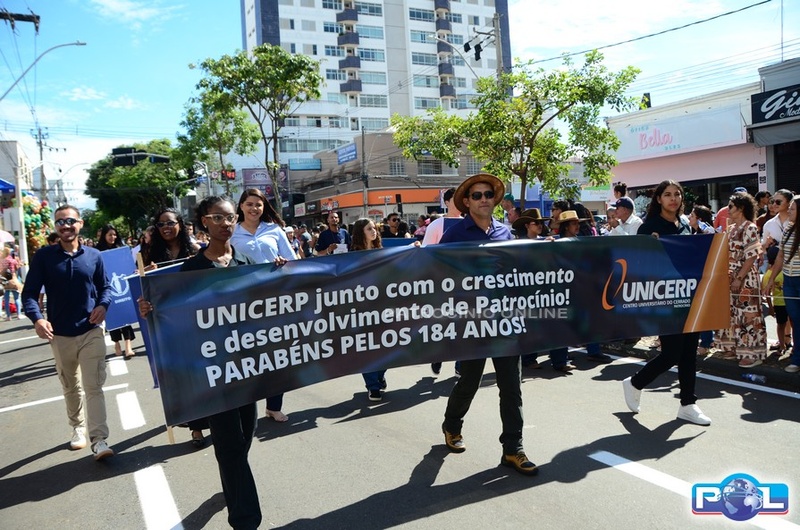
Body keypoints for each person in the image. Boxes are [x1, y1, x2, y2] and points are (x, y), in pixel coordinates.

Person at [139, 196, 270, 530]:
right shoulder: (192, 270)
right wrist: (151, 309)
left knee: (245, 436)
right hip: (212, 372)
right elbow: (174, 314)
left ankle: (233, 486)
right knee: (229, 445)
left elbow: (267, 301)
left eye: (230, 218)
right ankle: (245, 519)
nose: (226, 224)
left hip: (246, 367)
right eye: (218, 218)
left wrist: (279, 273)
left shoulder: (246, 261)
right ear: (203, 223)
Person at [439, 173, 538, 476]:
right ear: (467, 202)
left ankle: (513, 448)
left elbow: (519, 271)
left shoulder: (505, 232)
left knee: (511, 386)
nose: (484, 199)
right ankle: (452, 425)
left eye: (488, 195)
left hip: (504, 321)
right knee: (469, 381)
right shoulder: (454, 235)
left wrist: (547, 251)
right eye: (477, 195)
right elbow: (435, 274)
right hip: (471, 323)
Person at [21, 205, 115, 459]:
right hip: (60, 335)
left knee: (93, 386)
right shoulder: (44, 257)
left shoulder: (94, 256)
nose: (66, 226)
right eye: (60, 222)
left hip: (90, 331)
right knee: (71, 387)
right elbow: (29, 294)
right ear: (56, 227)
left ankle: (99, 440)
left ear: (80, 224)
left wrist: (103, 306)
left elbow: (105, 288)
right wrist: (38, 319)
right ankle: (78, 428)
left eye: (70, 221)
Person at [622, 180, 711, 426]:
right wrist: (650, 247)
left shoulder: (685, 224)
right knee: (672, 353)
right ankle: (635, 382)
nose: (673, 198)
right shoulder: (649, 226)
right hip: (664, 298)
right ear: (659, 199)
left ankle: (688, 404)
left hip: (688, 295)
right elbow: (638, 263)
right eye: (668, 194)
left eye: (677, 194)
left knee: (689, 352)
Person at [231, 188, 296, 422]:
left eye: (258, 205)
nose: (254, 208)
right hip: (243, 303)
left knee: (277, 355)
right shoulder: (231, 232)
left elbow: (294, 262)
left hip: (275, 300)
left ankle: (274, 406)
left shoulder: (274, 230)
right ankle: (244, 407)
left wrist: (283, 263)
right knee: (246, 355)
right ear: (241, 206)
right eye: (249, 204)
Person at [143, 209, 205, 448]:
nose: (165, 228)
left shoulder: (197, 250)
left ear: (180, 224)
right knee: (184, 377)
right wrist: (146, 277)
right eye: (160, 225)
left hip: (197, 320)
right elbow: (144, 294)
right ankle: (196, 428)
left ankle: (209, 419)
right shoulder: (150, 255)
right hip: (169, 323)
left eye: (170, 223)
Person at [717, 193, 767, 368]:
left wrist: (739, 278)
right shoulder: (730, 228)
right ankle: (733, 347)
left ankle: (752, 353)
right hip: (729, 277)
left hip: (746, 279)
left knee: (748, 315)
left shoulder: (750, 227)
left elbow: (751, 256)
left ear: (741, 208)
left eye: (731, 206)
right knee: (731, 313)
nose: (728, 209)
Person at [349, 218, 390, 400]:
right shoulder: (351, 256)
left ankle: (379, 375)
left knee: (388, 346)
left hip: (384, 307)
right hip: (362, 309)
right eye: (369, 229)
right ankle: (372, 386)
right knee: (368, 348)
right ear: (360, 232)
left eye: (374, 228)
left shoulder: (382, 252)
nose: (374, 231)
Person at [766, 194, 800, 373]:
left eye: (793, 209)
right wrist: (771, 279)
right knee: (795, 319)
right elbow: (780, 256)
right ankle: (797, 359)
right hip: (789, 280)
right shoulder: (787, 229)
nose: (790, 211)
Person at [96, 225, 136, 358]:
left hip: (122, 287)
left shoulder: (121, 249)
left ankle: (128, 346)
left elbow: (127, 265)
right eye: (110, 235)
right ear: (104, 236)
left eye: (114, 235)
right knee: (113, 316)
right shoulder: (97, 251)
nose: (113, 237)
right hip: (106, 288)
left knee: (125, 316)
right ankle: (117, 344)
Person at [762, 245, 791, 354]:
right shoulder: (770, 275)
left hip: (786, 302)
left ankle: (786, 343)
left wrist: (770, 307)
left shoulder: (770, 274)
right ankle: (782, 345)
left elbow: (766, 294)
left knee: (786, 324)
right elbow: (767, 293)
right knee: (782, 324)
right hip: (780, 303)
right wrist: (771, 307)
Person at [2, 246, 23, 320]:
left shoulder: (2, 260)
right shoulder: (12, 260)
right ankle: (19, 314)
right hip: (13, 279)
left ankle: (8, 316)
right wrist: (20, 264)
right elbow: (17, 268)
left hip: (4, 280)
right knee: (16, 298)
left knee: (6, 299)